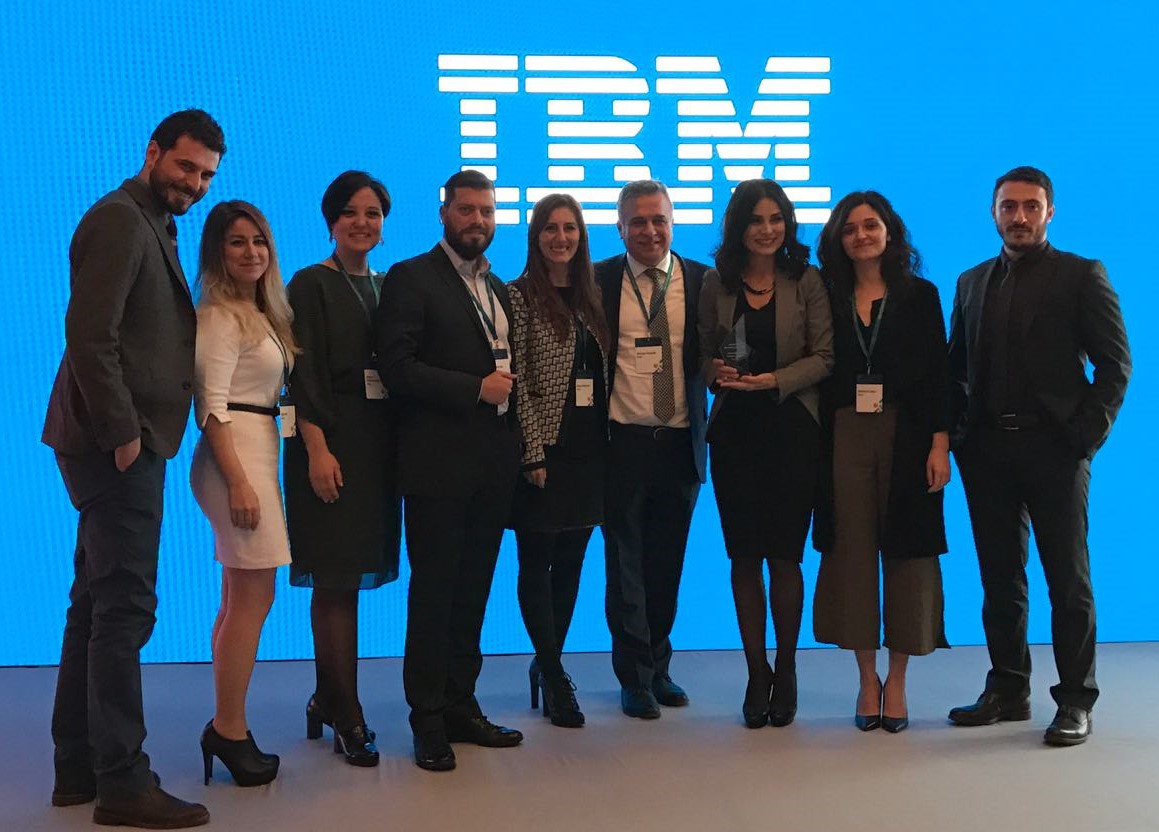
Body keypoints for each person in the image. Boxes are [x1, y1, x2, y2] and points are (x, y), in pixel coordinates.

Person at [42, 109, 223, 828]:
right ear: (152, 152)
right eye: (185, 167)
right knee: (125, 609)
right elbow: (90, 334)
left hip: (119, 439)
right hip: (114, 442)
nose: (195, 184)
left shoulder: (152, 221)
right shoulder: (120, 219)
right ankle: (122, 781)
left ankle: (77, 766)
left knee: (95, 603)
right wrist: (123, 434)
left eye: (206, 175)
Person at [946, 166, 1131, 746]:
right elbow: (956, 369)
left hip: (1055, 450)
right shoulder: (971, 282)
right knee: (999, 578)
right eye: (1009, 206)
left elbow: (1115, 365)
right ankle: (1008, 688)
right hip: (986, 452)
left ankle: (1076, 699)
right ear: (993, 212)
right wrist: (959, 437)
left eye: (1030, 206)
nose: (1019, 216)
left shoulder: (1081, 275)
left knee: (1067, 581)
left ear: (1050, 212)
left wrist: (1082, 439)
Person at [376, 169, 522, 771]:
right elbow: (397, 368)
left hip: (492, 466)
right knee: (435, 594)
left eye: (486, 211)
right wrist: (473, 389)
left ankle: (462, 704)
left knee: (473, 593)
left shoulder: (498, 288)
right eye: (466, 210)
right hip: (437, 468)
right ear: (444, 213)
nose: (477, 221)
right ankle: (427, 718)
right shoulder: (412, 277)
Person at [812, 191, 951, 734]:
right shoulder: (826, 295)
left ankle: (898, 680)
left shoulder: (920, 295)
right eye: (849, 229)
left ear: (889, 231)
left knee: (907, 554)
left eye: (870, 225)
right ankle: (866, 678)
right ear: (838, 239)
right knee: (851, 552)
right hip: (844, 434)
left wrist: (940, 445)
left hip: (908, 435)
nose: (861, 236)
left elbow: (938, 376)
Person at [698, 179, 833, 728]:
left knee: (784, 556)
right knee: (744, 557)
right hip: (735, 432)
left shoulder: (806, 279)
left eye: (776, 218)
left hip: (792, 430)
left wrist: (775, 379)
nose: (767, 229)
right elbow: (703, 351)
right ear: (739, 226)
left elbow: (826, 355)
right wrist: (715, 371)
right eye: (756, 220)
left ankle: (789, 667)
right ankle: (757, 671)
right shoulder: (716, 281)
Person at [284, 171, 401, 767]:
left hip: (377, 449)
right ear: (331, 220)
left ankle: (325, 696)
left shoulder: (387, 286)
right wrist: (316, 448)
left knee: (352, 576)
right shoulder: (310, 283)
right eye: (351, 212)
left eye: (373, 213)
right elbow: (300, 374)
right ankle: (346, 713)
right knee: (334, 581)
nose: (362, 222)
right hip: (328, 445)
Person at [190, 200, 297, 786]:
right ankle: (230, 730)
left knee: (239, 598)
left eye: (259, 240)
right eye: (237, 242)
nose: (251, 251)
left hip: (256, 448)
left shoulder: (258, 312)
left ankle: (225, 724)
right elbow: (210, 407)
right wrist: (238, 482)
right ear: (217, 252)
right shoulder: (218, 316)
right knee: (252, 598)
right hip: (236, 458)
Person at [595, 180, 709, 719]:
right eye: (637, 221)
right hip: (621, 443)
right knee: (625, 569)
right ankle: (634, 676)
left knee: (667, 565)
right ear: (620, 228)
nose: (649, 231)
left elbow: (723, 349)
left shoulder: (704, 281)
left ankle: (660, 667)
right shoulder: (597, 280)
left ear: (673, 222)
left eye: (658, 219)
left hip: (680, 444)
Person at [508, 194, 610, 728]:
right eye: (550, 228)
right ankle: (551, 670)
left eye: (569, 228)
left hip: (589, 452)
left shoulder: (594, 295)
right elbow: (517, 380)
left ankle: (550, 661)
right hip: (543, 451)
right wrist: (531, 452)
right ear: (536, 236)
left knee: (571, 561)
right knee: (536, 560)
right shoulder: (519, 295)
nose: (561, 238)